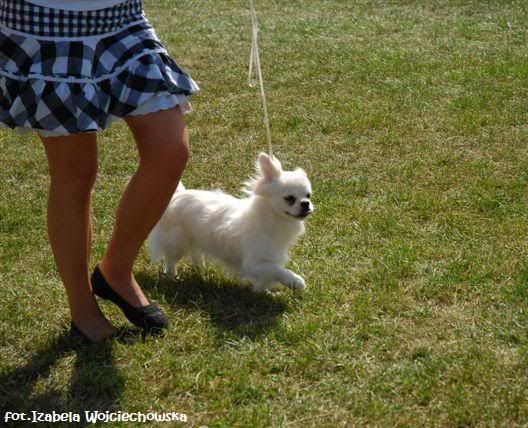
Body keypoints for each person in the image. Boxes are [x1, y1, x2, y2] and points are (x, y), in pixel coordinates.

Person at [0, 0, 199, 342]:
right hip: (46, 24)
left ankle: (115, 271)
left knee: (170, 151)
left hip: (120, 19)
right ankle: (83, 309)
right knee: (76, 173)